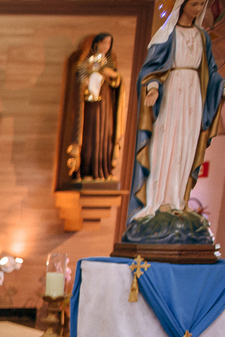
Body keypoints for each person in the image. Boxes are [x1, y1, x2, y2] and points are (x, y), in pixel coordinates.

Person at [126, 0, 223, 232]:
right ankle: (159, 202)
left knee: (186, 145)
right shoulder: (166, 34)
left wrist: (221, 88)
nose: (199, 9)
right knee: (166, 143)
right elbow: (151, 69)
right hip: (171, 95)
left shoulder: (202, 36)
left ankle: (179, 199)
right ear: (182, 4)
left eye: (202, 4)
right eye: (195, 3)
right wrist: (153, 87)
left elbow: (211, 71)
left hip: (193, 96)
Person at [75, 33, 122, 181]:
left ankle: (103, 170)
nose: (106, 47)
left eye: (109, 44)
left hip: (106, 103)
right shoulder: (88, 61)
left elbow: (117, 81)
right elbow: (81, 76)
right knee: (91, 133)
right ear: (96, 44)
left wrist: (113, 75)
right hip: (91, 104)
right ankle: (87, 170)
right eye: (103, 43)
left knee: (105, 134)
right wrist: (92, 78)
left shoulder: (109, 62)